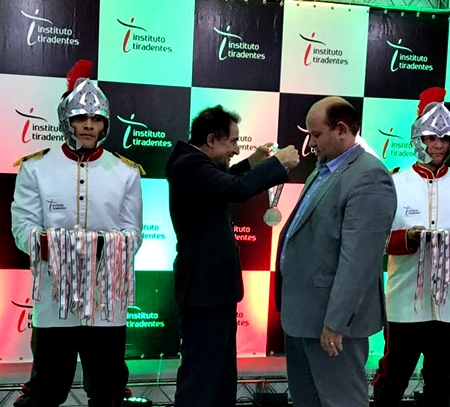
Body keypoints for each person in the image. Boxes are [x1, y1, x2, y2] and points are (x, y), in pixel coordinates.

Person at [10, 60, 144, 407]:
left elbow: (133, 234)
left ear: (105, 124)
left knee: (108, 392)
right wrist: (60, 246)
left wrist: (91, 246)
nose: (88, 125)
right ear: (66, 120)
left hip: (106, 303)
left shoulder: (125, 172)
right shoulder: (35, 168)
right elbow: (22, 227)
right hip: (54, 300)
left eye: (96, 119)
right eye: (81, 118)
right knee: (46, 391)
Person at [165, 104, 300, 407]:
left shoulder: (196, 164)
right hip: (204, 292)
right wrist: (277, 164)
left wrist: (252, 162)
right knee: (201, 379)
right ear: (212, 140)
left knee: (221, 376)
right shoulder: (189, 165)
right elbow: (235, 189)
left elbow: (222, 181)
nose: (237, 149)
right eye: (234, 141)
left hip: (213, 290)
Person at [275, 96, 397, 407]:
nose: (311, 143)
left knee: (342, 401)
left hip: (331, 323)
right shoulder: (322, 170)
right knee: (306, 400)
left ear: (341, 129)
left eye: (316, 134)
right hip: (304, 316)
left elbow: (359, 261)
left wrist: (337, 322)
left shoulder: (369, 176)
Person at [372, 87, 450, 407]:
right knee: (393, 376)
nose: (438, 145)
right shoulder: (394, 183)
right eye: (431, 138)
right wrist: (407, 238)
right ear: (418, 139)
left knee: (442, 378)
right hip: (404, 302)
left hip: (448, 306)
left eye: (445, 138)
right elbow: (377, 240)